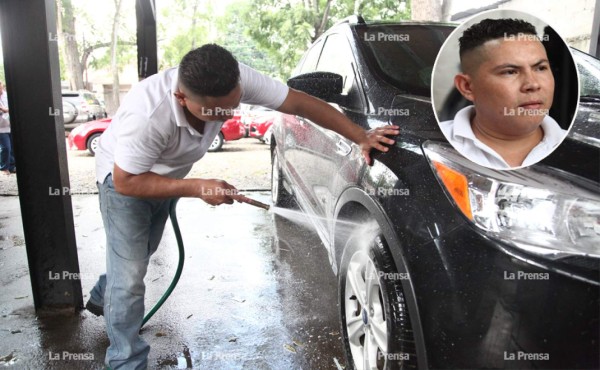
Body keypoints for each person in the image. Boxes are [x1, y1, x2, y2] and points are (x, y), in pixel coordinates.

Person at [86, 44, 399, 369]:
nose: (228, 116)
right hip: (125, 182)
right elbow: (127, 181)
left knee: (140, 252)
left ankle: (103, 296)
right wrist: (198, 186)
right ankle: (125, 359)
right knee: (131, 275)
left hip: (165, 178)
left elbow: (300, 103)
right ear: (182, 98)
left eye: (233, 105)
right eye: (217, 112)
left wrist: (359, 135)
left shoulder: (233, 78)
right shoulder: (148, 113)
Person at [439, 18, 566, 169]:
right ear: (467, 87)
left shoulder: (580, 149)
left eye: (540, 68)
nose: (532, 84)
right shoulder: (434, 143)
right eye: (510, 72)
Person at [0, 81, 15, 175]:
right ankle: (4, 167)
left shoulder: (7, 95)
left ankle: (11, 166)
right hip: (1, 127)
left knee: (13, 147)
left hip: (10, 124)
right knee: (6, 147)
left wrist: (5, 110)